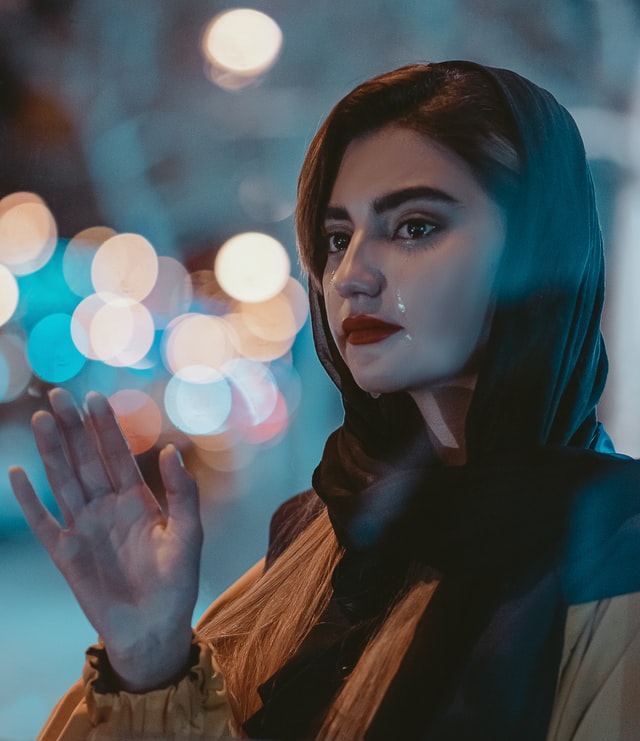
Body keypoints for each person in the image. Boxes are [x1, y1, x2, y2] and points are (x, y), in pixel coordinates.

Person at [10, 60, 640, 740]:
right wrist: (149, 665)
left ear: (538, 247)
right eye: (338, 239)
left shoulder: (613, 556)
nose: (351, 277)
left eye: (415, 226)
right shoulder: (335, 526)